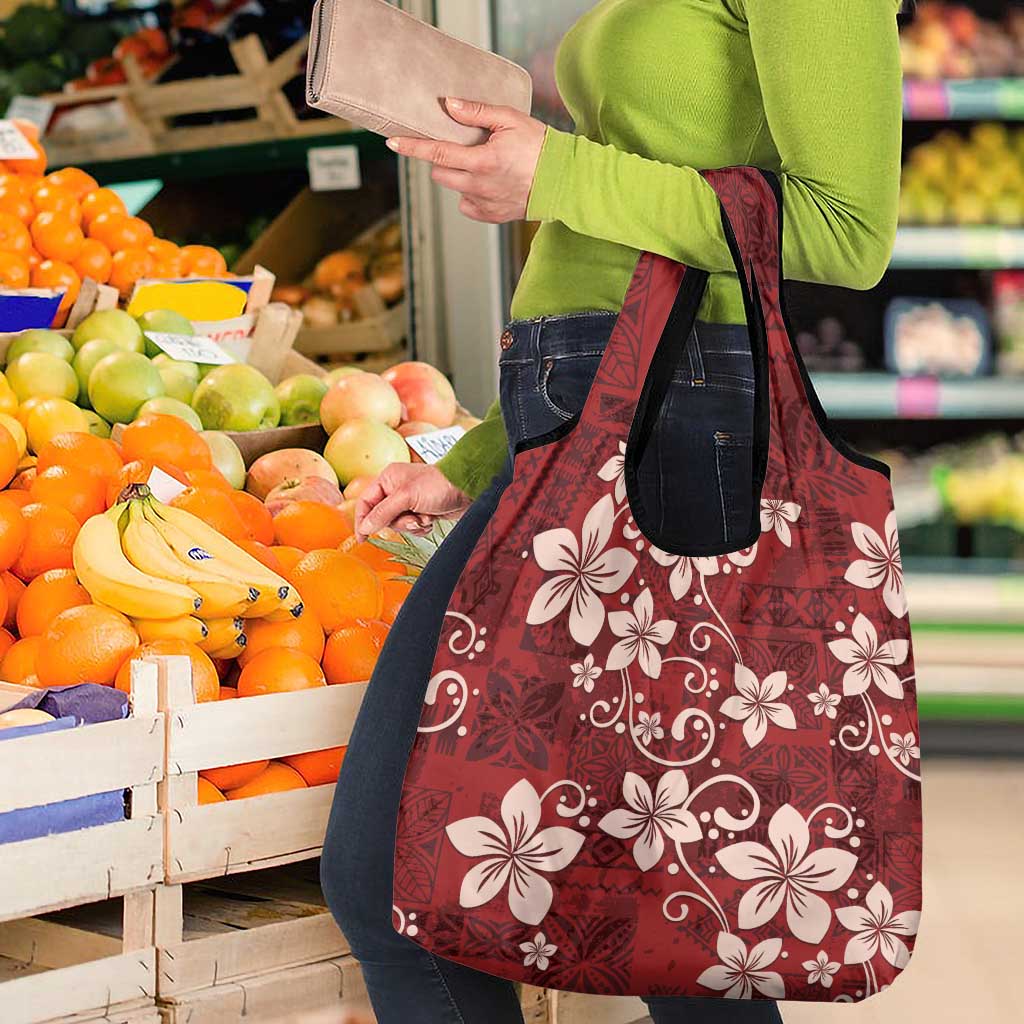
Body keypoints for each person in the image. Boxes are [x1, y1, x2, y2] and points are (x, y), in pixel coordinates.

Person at [321, 2, 905, 1022]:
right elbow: (622, 245)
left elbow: (848, 229)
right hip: (583, 429)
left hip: (676, 438)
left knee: (655, 919)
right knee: (642, 914)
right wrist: (479, 457)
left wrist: (556, 172)